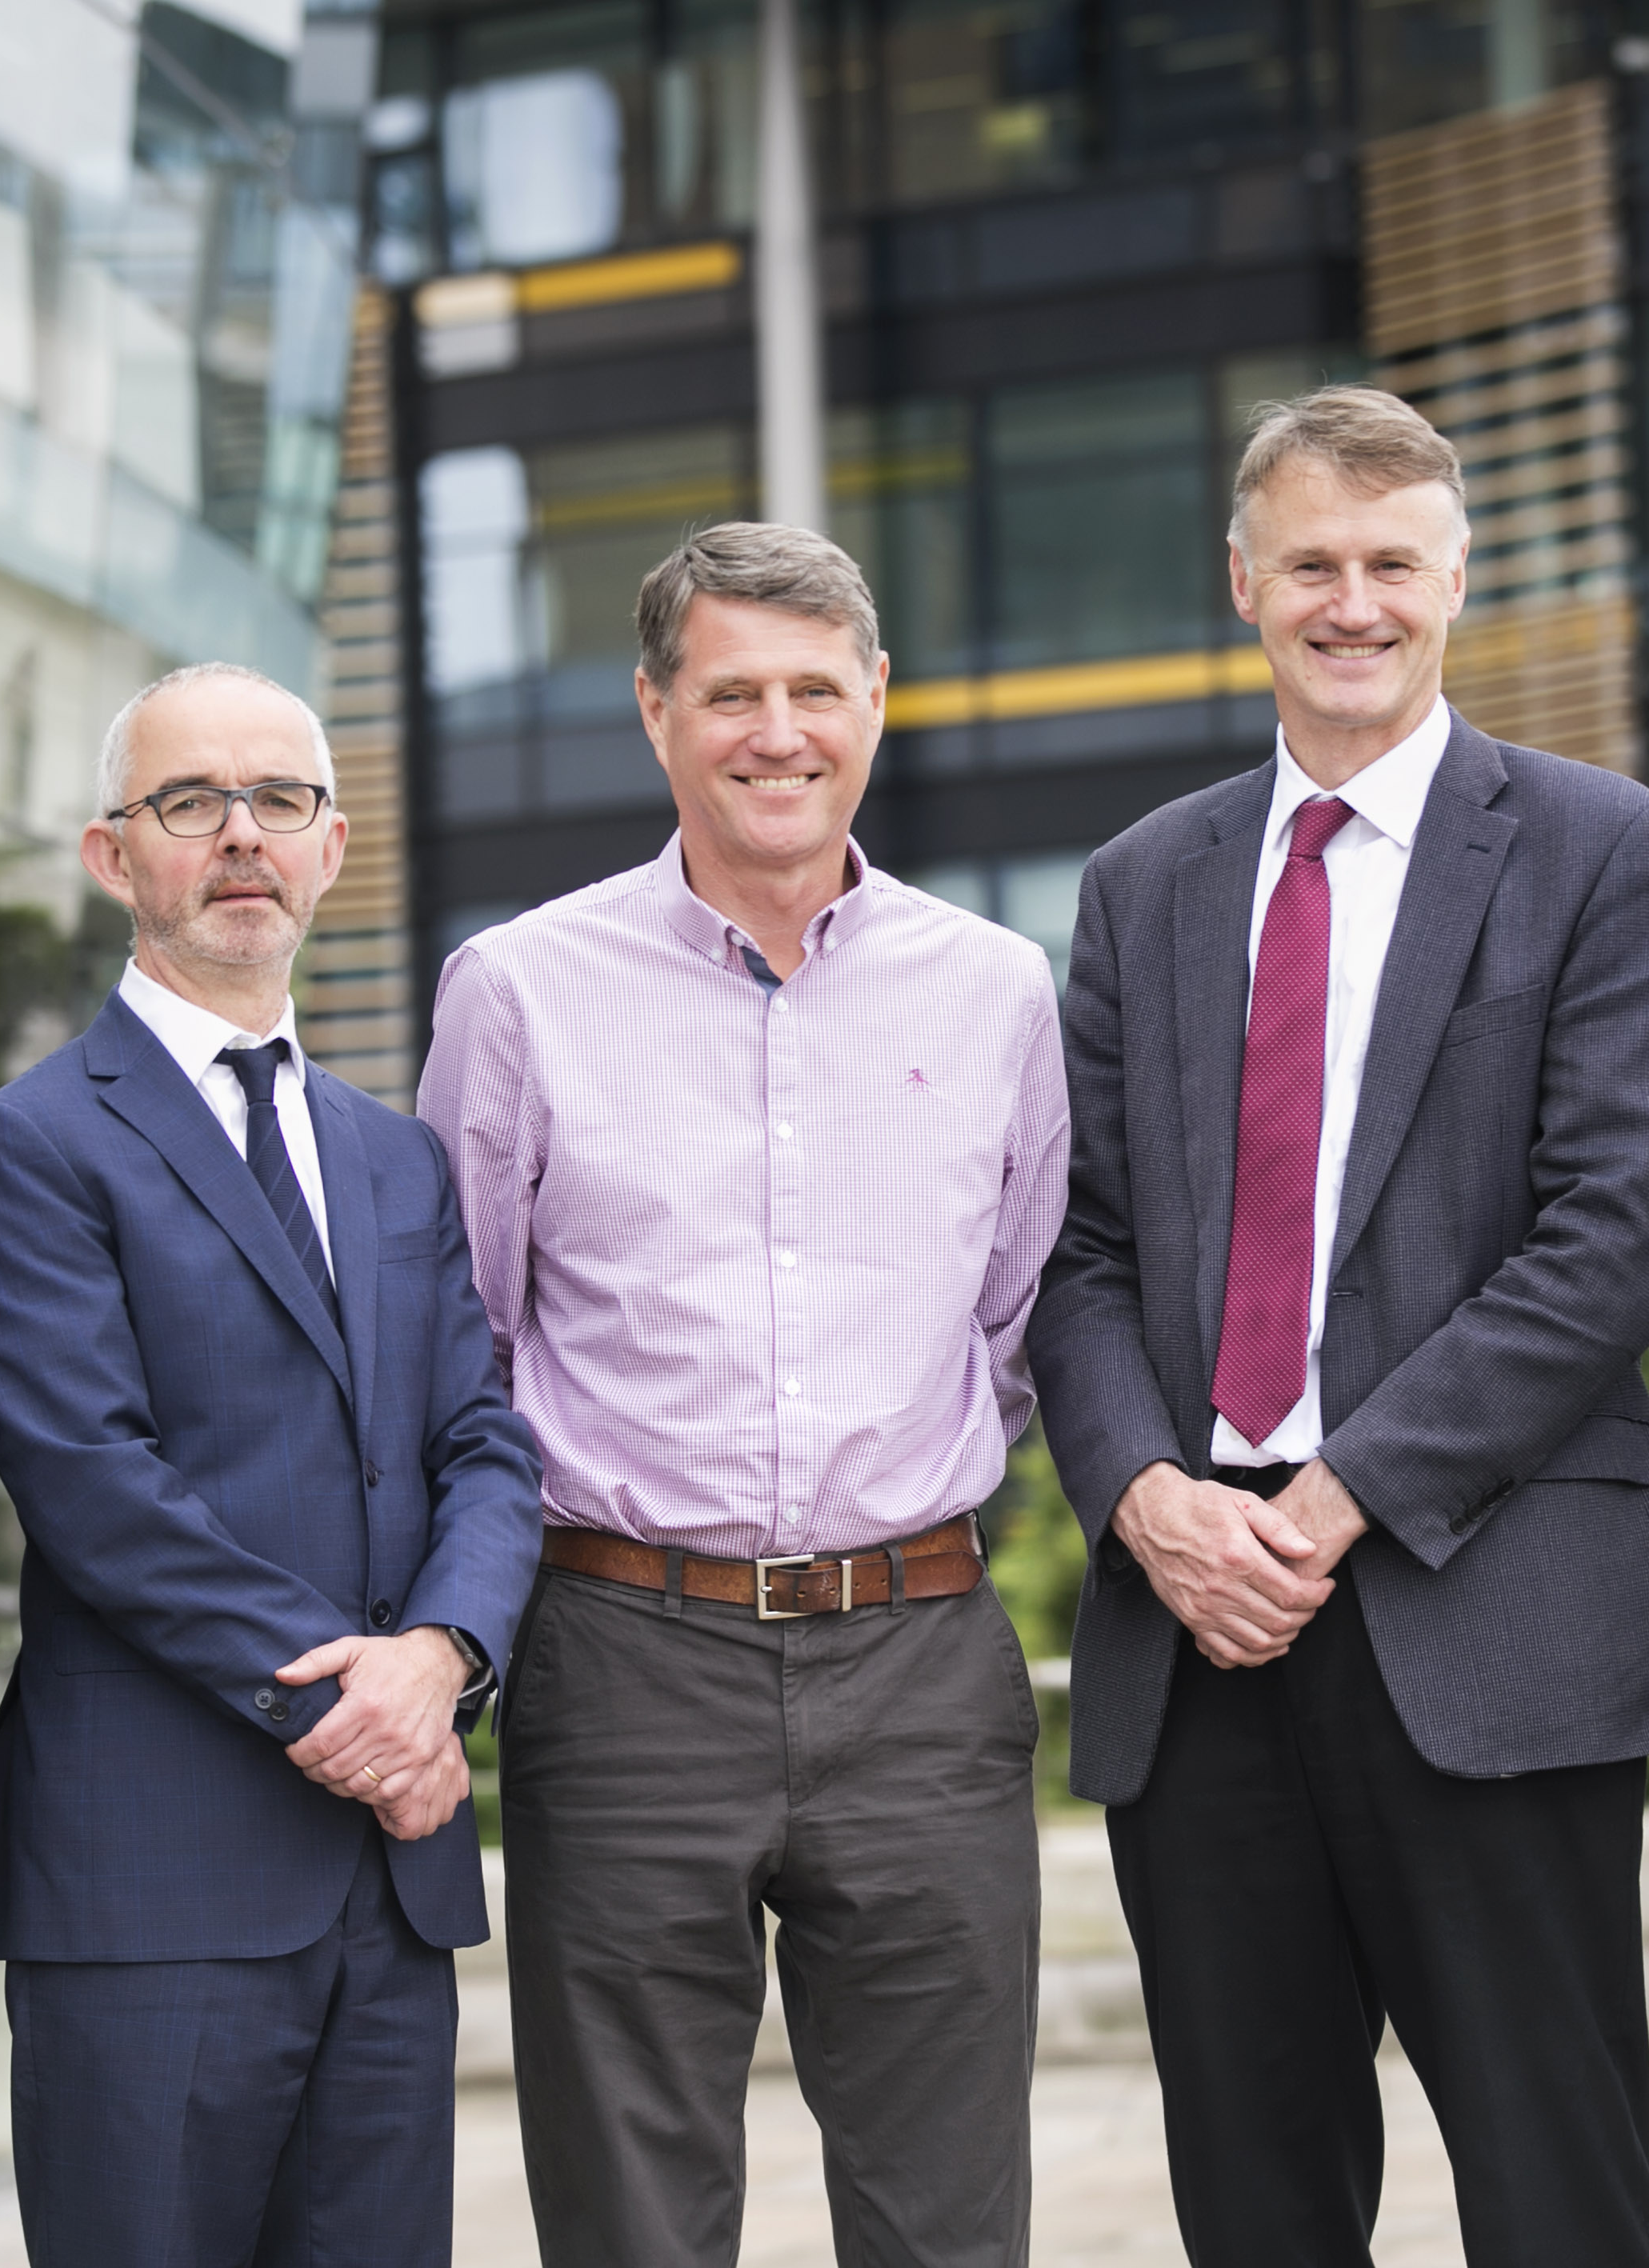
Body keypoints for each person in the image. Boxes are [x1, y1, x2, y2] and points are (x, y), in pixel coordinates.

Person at [1026, 387, 1649, 2267]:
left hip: (1480, 1611)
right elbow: (1073, 1252)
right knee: (1253, 2202)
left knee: (1555, 2186)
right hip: (1197, 1636)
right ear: (1241, 579)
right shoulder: (1140, 883)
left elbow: (1601, 1244)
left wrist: (1328, 1500)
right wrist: (1150, 1503)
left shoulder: (1601, 849)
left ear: (1453, 583)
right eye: (1312, 562)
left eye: (1391, 563)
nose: (1352, 601)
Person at [417, 522, 1069, 2268]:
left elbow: (1011, 1318)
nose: (774, 730)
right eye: (729, 693)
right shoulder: (517, 991)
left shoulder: (998, 989)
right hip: (625, 1660)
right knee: (631, 2212)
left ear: (875, 703)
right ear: (654, 714)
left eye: (812, 688)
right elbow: (458, 1345)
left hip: (918, 1659)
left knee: (947, 2215)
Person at [0, 662, 542, 2268]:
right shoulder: (27, 1144)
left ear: (332, 844)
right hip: (150, 1882)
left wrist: (442, 1656)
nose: (239, 835)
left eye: (277, 799)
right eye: (189, 801)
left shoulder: (392, 1154)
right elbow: (94, 1485)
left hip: (382, 1881)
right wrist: (354, 1713)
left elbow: (482, 1438)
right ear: (107, 851)